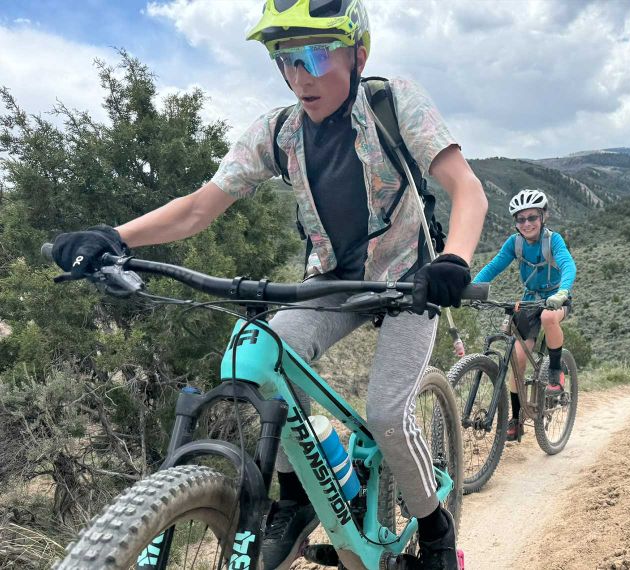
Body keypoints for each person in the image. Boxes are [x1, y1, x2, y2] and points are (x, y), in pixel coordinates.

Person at [49, 1, 487, 568]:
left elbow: (466, 187)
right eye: (285, 58)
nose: (300, 74)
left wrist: (453, 258)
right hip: (332, 281)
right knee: (253, 355)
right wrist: (115, 237)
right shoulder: (278, 132)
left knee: (385, 414)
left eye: (315, 53)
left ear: (358, 53)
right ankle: (299, 494)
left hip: (411, 281)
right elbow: (196, 209)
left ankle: (434, 528)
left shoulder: (394, 101)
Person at [472, 189, 576, 442]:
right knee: (517, 359)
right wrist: (473, 287)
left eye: (532, 217)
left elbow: (567, 264)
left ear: (543, 217)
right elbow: (494, 266)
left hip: (556, 298)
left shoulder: (553, 241)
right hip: (530, 300)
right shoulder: (515, 243)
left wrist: (562, 292)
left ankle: (554, 372)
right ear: (516, 223)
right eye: (521, 219)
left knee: (549, 318)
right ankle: (516, 418)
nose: (527, 223)